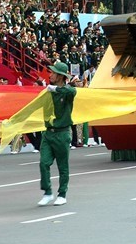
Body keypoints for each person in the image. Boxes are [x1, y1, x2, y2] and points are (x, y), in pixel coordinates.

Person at [38, 62, 77, 207]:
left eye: (53, 73)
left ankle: (62, 194)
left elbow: (72, 92)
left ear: (61, 76)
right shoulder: (48, 91)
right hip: (48, 133)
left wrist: (56, 89)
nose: (50, 75)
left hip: (62, 133)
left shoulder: (66, 92)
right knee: (44, 163)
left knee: (63, 166)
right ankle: (47, 192)